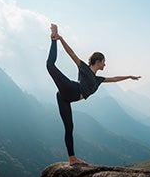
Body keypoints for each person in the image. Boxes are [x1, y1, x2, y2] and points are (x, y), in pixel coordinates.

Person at [46, 23, 141, 166]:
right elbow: (72, 54)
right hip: (71, 89)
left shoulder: (98, 80)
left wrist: (129, 76)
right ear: (98, 61)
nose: (105, 65)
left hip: (65, 98)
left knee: (69, 128)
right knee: (50, 66)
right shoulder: (85, 69)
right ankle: (53, 37)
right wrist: (60, 39)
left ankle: (72, 159)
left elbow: (114, 79)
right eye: (104, 62)